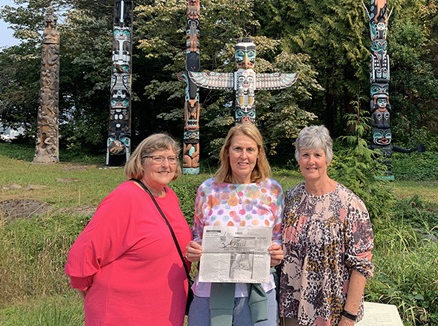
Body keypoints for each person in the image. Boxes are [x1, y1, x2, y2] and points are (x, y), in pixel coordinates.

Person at [64, 133, 192, 326]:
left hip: (165, 311)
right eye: (158, 158)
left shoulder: (169, 196)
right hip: (123, 313)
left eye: (171, 158)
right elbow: (83, 254)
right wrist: (94, 297)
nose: (166, 165)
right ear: (141, 162)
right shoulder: (125, 197)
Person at [185, 123, 284, 326]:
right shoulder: (208, 189)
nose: (243, 156)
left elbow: (277, 238)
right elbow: (198, 235)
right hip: (210, 292)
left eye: (250, 149)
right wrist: (195, 249)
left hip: (258, 292)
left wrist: (277, 252)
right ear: (227, 152)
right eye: (238, 148)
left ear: (259, 153)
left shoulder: (272, 190)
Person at [279, 125, 374, 326]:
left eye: (317, 155)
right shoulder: (290, 199)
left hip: (331, 311)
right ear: (298, 158)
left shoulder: (349, 204)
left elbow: (361, 265)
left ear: (327, 158)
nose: (311, 161)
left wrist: (349, 317)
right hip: (292, 308)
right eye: (305, 154)